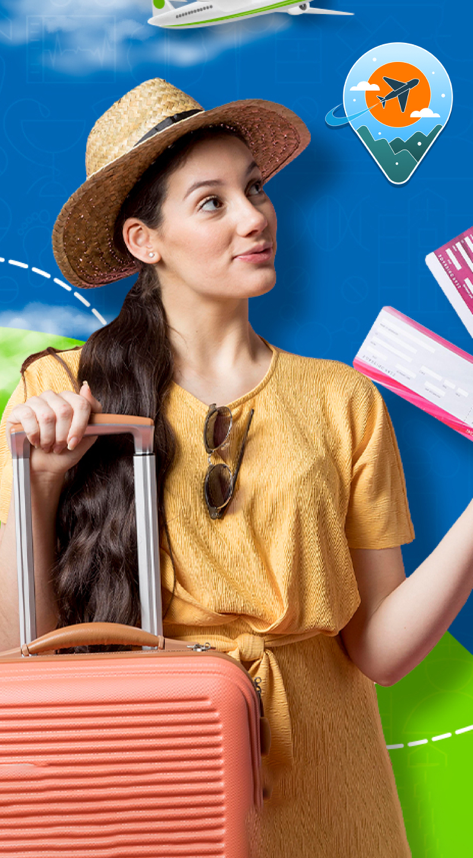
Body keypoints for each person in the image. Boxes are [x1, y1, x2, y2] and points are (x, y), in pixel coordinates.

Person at [1, 77, 473, 858]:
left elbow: (381, 652)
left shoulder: (342, 400)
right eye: (210, 201)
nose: (255, 217)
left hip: (332, 795)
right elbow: (22, 650)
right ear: (142, 241)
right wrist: (40, 483)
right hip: (155, 780)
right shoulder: (64, 392)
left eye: (252, 189)